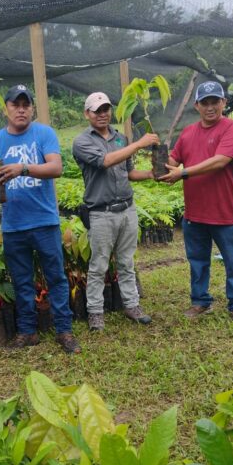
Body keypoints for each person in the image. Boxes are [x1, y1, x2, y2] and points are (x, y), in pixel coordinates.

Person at [0, 85, 81, 354]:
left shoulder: (43, 133)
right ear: (6, 109)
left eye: (26, 104)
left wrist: (22, 168)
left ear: (32, 108)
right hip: (13, 225)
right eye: (15, 104)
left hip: (44, 221)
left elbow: (56, 167)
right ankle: (27, 332)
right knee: (21, 281)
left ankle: (63, 330)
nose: (21, 109)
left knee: (55, 277)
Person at [160, 81, 233, 325]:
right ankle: (200, 301)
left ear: (224, 102)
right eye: (205, 103)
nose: (210, 107)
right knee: (198, 261)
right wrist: (158, 157)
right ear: (197, 106)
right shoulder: (188, 133)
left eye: (215, 101)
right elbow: (173, 158)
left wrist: (183, 173)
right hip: (195, 213)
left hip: (226, 212)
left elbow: (220, 161)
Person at [72, 92, 160, 331]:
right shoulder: (82, 142)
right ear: (87, 114)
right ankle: (95, 312)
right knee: (99, 264)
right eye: (97, 110)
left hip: (127, 210)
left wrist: (152, 175)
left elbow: (128, 173)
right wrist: (139, 144)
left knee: (126, 261)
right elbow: (105, 161)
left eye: (106, 109)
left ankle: (132, 305)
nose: (102, 114)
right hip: (101, 213)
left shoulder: (121, 138)